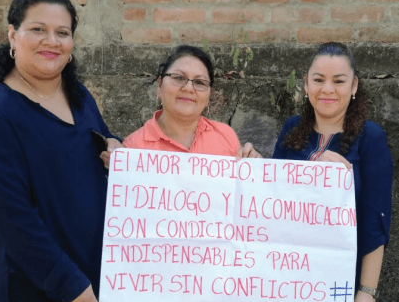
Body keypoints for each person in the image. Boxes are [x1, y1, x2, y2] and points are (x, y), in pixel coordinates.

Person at [0, 0, 122, 301]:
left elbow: (102, 141)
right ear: (12, 35)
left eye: (62, 32)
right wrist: (76, 289)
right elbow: (15, 223)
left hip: (98, 277)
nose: (51, 41)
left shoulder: (79, 97)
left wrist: (115, 146)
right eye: (38, 29)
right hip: (43, 288)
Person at [273, 42, 392, 302]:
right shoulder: (292, 129)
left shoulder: (370, 137)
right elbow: (273, 202)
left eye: (338, 81)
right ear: (306, 84)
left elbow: (375, 221)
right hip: (285, 279)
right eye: (318, 80)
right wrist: (254, 168)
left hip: (342, 282)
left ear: (354, 86)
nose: (327, 89)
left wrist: (367, 292)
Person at [122, 45, 260, 158]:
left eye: (199, 82)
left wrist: (253, 169)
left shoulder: (226, 137)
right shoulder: (132, 147)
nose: (188, 88)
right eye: (179, 78)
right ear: (159, 86)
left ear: (209, 96)